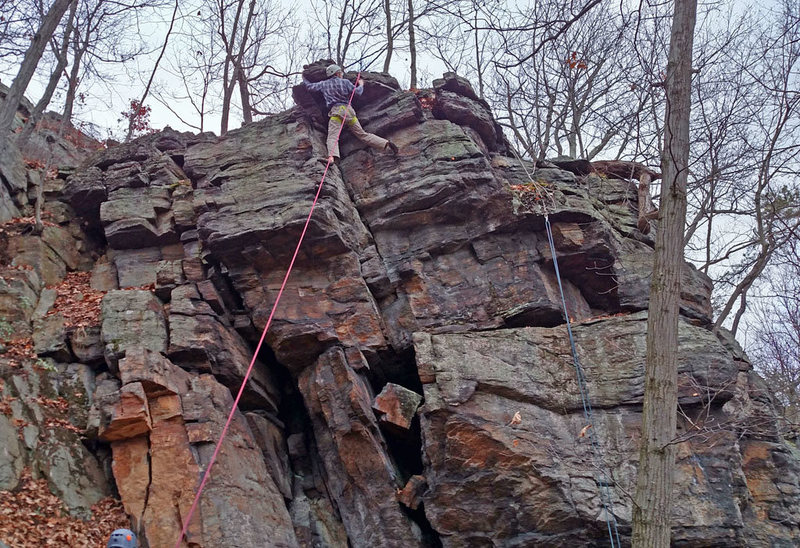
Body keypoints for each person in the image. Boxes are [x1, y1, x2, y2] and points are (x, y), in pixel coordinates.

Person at [303, 64, 399, 164]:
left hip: (337, 113)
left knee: (333, 136)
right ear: (337, 73)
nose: (341, 74)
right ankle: (386, 143)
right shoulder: (345, 82)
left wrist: (304, 78)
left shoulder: (324, 84)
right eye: (340, 72)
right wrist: (361, 84)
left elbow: (310, 87)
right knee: (363, 134)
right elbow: (357, 92)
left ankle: (331, 158)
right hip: (349, 112)